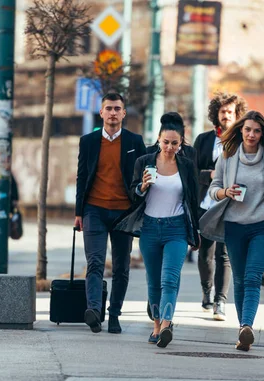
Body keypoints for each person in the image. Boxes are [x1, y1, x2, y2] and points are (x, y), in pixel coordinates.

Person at [200, 110, 264, 352]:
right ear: (241, 131)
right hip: (234, 226)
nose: (252, 134)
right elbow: (214, 188)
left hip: (262, 226)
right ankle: (242, 330)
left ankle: (247, 327)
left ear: (262, 133)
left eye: (257, 130)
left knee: (253, 277)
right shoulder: (228, 155)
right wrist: (225, 192)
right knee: (239, 279)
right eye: (248, 130)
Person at [115, 112, 200, 348]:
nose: (170, 147)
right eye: (166, 142)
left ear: (181, 142)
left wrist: (196, 232)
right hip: (150, 228)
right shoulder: (144, 162)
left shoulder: (186, 165)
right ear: (158, 140)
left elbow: (193, 199)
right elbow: (133, 194)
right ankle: (155, 325)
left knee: (169, 279)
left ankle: (166, 325)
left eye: (175, 143)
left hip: (177, 229)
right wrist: (142, 186)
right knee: (153, 281)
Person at [75, 92, 147, 334]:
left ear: (124, 113)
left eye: (118, 108)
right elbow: (81, 177)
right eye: (109, 108)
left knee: (121, 267)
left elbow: (142, 177)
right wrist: (78, 212)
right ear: (101, 113)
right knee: (94, 263)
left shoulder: (135, 142)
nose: (113, 113)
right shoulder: (88, 141)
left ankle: (114, 314)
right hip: (93, 210)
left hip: (123, 213)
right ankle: (94, 311)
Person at [193, 92, 247, 321]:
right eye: (223, 111)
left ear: (237, 115)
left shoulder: (244, 140)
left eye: (230, 112)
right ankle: (207, 293)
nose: (226, 115)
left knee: (224, 255)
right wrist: (210, 174)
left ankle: (220, 302)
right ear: (216, 113)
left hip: (231, 204)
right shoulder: (203, 140)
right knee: (205, 252)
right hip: (206, 204)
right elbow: (191, 172)